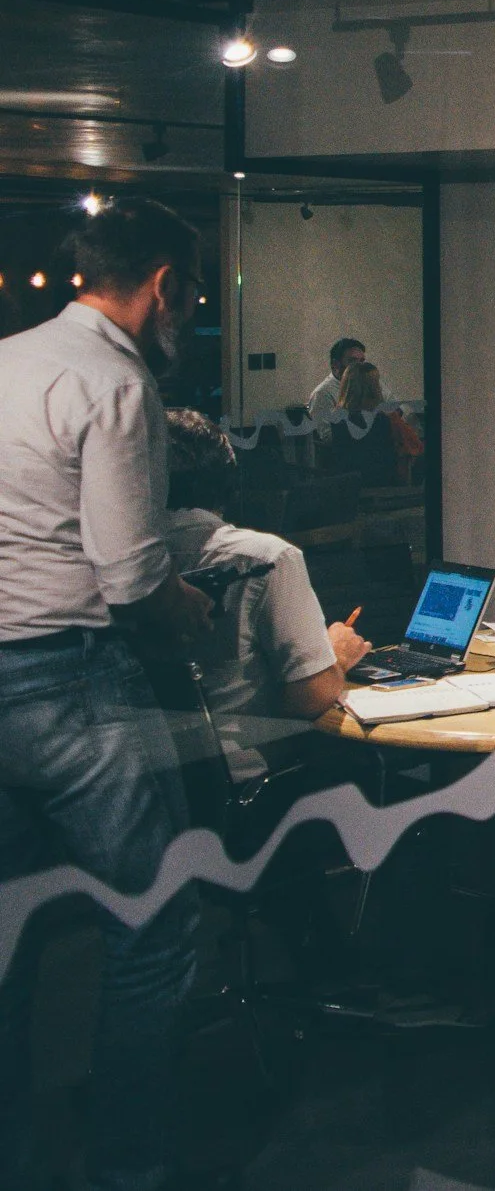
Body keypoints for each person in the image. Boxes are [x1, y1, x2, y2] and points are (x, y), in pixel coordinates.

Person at [0, 196, 214, 1191]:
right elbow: (129, 575)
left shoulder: (11, 358)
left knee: (11, 938)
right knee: (159, 919)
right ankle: (137, 1164)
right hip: (71, 675)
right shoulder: (114, 380)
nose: (192, 311)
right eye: (192, 293)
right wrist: (195, 612)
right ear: (163, 285)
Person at [164, 409, 372, 784]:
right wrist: (336, 657)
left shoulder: (102, 562)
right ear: (227, 480)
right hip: (247, 779)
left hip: (146, 784)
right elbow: (310, 696)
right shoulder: (264, 559)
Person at [324, 360, 402, 487]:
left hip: (347, 481)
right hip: (379, 480)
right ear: (373, 388)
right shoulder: (381, 419)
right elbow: (389, 455)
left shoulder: (337, 417)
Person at [308, 336, 364, 414]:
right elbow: (321, 426)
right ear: (335, 364)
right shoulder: (323, 394)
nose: (360, 366)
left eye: (361, 361)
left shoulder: (367, 384)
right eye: (352, 361)